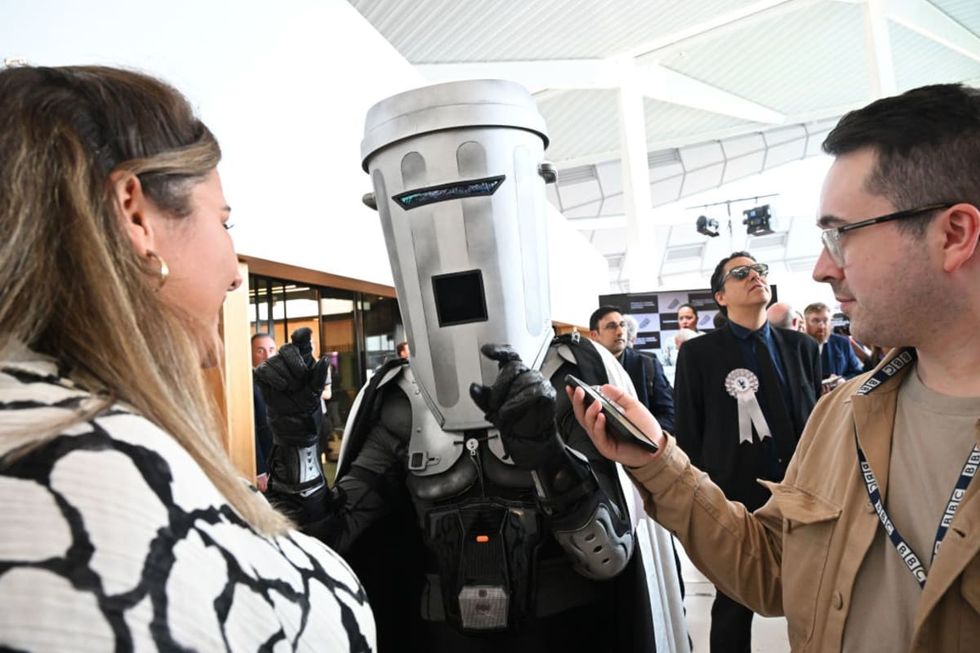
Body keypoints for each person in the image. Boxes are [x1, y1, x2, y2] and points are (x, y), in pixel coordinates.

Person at [256, 79, 687, 652]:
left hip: (567, 635)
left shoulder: (574, 370)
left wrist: (548, 456)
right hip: (440, 637)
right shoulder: (398, 396)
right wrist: (298, 442)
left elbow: (610, 558)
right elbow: (325, 539)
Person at [567, 83, 980, 652]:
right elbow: (777, 568)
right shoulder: (845, 414)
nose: (819, 269)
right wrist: (659, 459)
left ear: (953, 235)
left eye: (840, 235)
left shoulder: (806, 362)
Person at [0, 65, 374, 651]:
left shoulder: (67, 433)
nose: (233, 271)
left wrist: (294, 447)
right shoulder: (86, 469)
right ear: (135, 213)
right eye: (225, 221)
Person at [670, 251, 821, 653]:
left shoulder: (802, 347)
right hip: (736, 498)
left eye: (759, 270)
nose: (755, 275)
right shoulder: (698, 355)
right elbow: (689, 431)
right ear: (721, 296)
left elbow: (817, 422)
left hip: (804, 494)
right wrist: (703, 500)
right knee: (734, 603)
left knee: (814, 598)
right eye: (741, 273)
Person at [590, 306, 675, 433]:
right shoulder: (586, 367)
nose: (620, 331)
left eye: (622, 325)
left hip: (644, 446)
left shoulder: (647, 364)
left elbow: (670, 416)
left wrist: (636, 432)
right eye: (611, 326)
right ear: (594, 335)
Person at [804, 302, 864, 385]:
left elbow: (857, 372)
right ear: (805, 322)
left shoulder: (842, 343)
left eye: (825, 321)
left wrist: (843, 380)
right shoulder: (796, 346)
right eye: (815, 321)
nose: (822, 326)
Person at [250, 332, 277, 491]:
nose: (267, 355)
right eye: (260, 350)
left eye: (271, 349)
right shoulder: (246, 382)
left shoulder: (284, 380)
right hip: (265, 462)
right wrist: (259, 470)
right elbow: (249, 429)